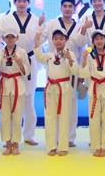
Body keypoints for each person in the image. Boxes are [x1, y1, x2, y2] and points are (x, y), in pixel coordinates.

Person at [0, 0, 44, 146]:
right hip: (10, 58)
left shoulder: (36, 19)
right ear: (14, 2)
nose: (22, 4)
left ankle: (29, 135)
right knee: (10, 101)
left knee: (29, 98)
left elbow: (40, 39)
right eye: (19, 1)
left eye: (24, 1)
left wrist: (41, 27)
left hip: (29, 59)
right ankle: (10, 137)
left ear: (28, 3)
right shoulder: (6, 19)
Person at [41, 0, 88, 147]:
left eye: (70, 6)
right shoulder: (52, 24)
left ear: (74, 9)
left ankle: (69, 138)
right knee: (53, 106)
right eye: (65, 6)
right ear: (61, 8)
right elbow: (41, 39)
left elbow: (82, 44)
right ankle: (54, 138)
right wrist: (39, 26)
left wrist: (84, 29)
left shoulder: (79, 25)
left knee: (71, 105)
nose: (67, 9)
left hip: (71, 68)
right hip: (55, 69)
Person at [33, 28, 78, 156]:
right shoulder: (49, 55)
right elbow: (39, 56)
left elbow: (76, 71)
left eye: (61, 39)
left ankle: (63, 147)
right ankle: (51, 146)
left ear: (66, 40)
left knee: (64, 117)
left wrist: (70, 60)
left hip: (64, 88)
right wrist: (37, 39)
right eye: (56, 39)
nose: (58, 41)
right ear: (52, 40)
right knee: (50, 117)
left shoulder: (70, 54)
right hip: (51, 88)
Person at [80, 30, 105, 157]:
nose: (99, 41)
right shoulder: (89, 55)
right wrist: (84, 59)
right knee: (94, 119)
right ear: (93, 42)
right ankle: (96, 146)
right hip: (94, 89)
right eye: (96, 39)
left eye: (101, 38)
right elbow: (84, 73)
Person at [0, 29, 29, 156]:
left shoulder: (22, 52)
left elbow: (27, 72)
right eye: (7, 37)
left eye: (12, 37)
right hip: (4, 84)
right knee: (4, 116)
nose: (10, 39)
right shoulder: (1, 52)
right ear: (4, 39)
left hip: (17, 84)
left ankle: (16, 143)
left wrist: (19, 63)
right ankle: (7, 143)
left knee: (17, 116)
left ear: (17, 38)